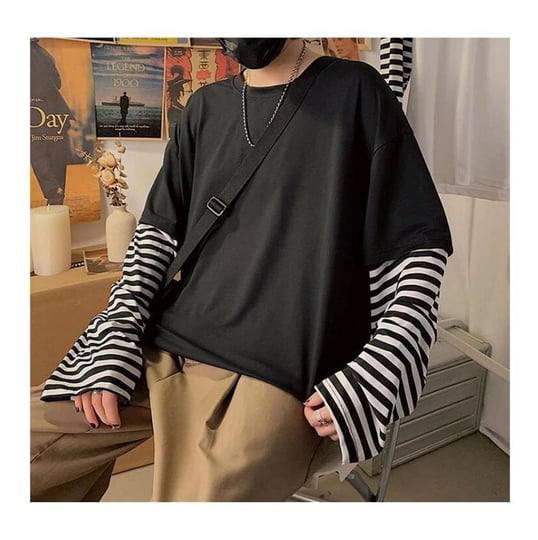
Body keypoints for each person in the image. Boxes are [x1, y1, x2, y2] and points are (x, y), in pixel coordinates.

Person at [31, 38, 454, 501]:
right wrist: (117, 333)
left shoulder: (356, 92)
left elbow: (415, 249)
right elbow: (156, 235)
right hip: (163, 345)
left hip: (275, 372)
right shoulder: (204, 107)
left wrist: (381, 363)